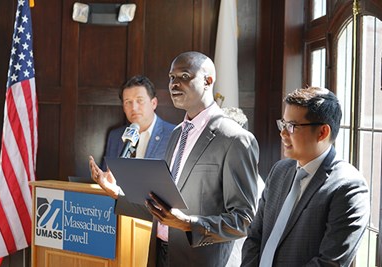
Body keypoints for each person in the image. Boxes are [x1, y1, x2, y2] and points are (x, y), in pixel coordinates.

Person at [90, 51, 260, 266]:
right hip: (159, 254)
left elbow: (243, 220)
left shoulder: (235, 138)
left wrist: (189, 224)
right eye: (172, 77)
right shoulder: (177, 134)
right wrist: (116, 193)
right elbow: (162, 205)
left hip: (198, 260)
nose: (174, 84)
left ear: (208, 81)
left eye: (184, 77)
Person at [241, 87, 370, 267]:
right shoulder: (279, 171)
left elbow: (330, 262)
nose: (283, 133)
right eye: (283, 124)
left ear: (322, 132)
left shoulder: (348, 186)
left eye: (292, 126)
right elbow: (255, 237)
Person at [103, 75, 175, 163]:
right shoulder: (115, 136)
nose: (134, 107)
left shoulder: (174, 135)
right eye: (128, 102)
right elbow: (107, 171)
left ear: (153, 103)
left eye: (140, 100)